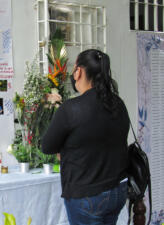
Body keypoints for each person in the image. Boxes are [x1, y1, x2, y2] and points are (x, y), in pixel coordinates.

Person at [41, 49, 129, 225]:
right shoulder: (118, 103)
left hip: (88, 195)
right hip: (117, 190)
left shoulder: (71, 108)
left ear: (78, 71)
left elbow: (47, 146)